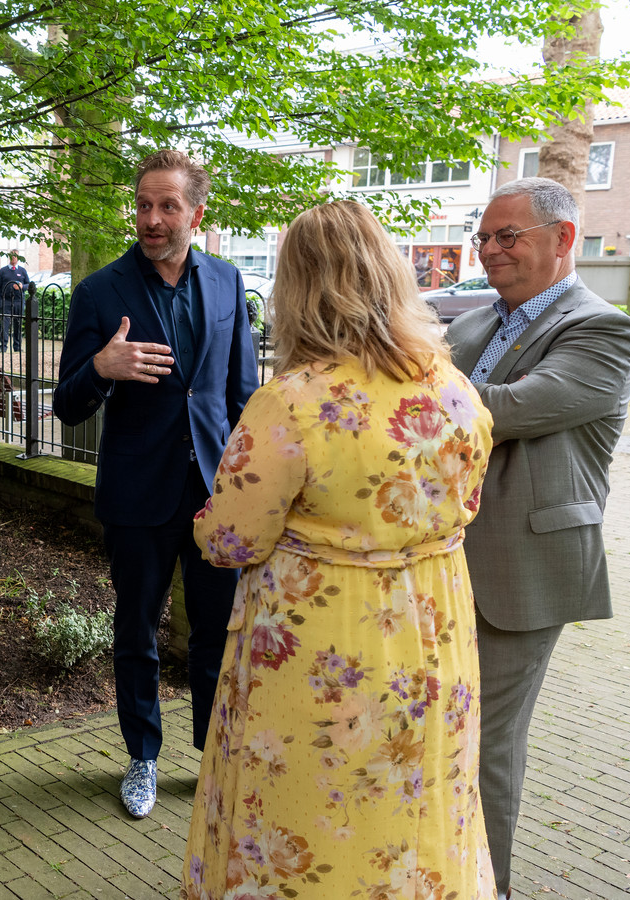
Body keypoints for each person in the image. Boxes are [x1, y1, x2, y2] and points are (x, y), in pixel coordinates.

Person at [183, 199, 496, 898]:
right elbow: (466, 503)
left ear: (297, 289)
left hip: (321, 647)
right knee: (413, 801)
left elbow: (229, 539)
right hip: (432, 632)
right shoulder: (449, 387)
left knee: (309, 807)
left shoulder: (291, 401)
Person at [447, 176, 630, 900]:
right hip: (439, 561)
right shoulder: (469, 324)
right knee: (437, 731)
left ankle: (486, 888)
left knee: (485, 745)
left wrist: (389, 392)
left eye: (506, 237)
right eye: (483, 236)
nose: (488, 249)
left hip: (522, 569)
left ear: (561, 240)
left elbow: (498, 411)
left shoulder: (602, 329)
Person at [53, 149, 258, 818]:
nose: (150, 217)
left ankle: (208, 758)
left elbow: (241, 392)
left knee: (213, 633)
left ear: (196, 213)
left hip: (212, 492)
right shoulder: (99, 292)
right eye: (143, 204)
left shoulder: (228, 283)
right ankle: (141, 757)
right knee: (136, 630)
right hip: (136, 493)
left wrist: (246, 482)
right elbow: (65, 405)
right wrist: (102, 367)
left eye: (166, 205)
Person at [0, 250, 31, 352]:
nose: (13, 258)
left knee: (18, 324)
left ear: (18, 258)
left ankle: (17, 346)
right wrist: (0, 302)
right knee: (5, 325)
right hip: (6, 302)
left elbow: (29, 285)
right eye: (12, 256)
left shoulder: (22, 271)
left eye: (15, 256)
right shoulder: (3, 271)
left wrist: (22, 286)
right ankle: (3, 347)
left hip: (19, 302)